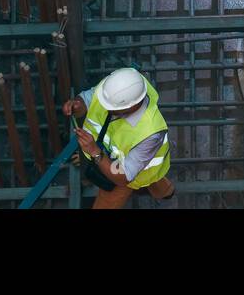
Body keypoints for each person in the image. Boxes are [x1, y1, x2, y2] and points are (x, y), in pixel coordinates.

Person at [62, 67, 174, 209]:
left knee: (146, 181)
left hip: (128, 175)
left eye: (110, 107)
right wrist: (79, 105)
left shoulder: (150, 133)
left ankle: (164, 192)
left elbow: (123, 178)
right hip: (116, 159)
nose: (104, 107)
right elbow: (90, 97)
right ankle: (165, 192)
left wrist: (95, 152)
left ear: (132, 106)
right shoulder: (118, 87)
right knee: (156, 182)